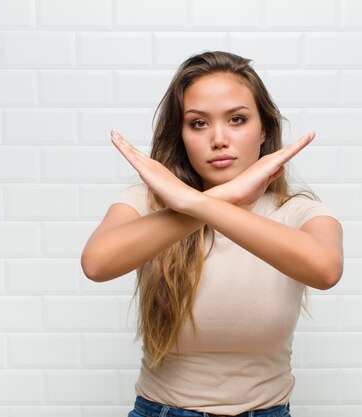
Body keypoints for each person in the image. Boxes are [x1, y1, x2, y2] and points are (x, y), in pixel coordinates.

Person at [81, 51, 343, 417]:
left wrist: (199, 203)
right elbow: (96, 263)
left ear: (264, 129)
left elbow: (326, 270)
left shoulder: (299, 212)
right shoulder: (149, 203)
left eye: (237, 119)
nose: (219, 138)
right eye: (199, 123)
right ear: (182, 135)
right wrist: (223, 197)